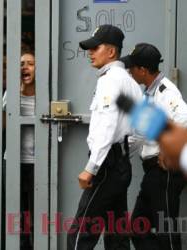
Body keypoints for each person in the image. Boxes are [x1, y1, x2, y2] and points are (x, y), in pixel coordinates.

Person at [67, 24, 143, 250]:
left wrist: (92, 167)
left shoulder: (110, 80)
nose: (90, 53)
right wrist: (124, 155)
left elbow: (107, 125)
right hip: (119, 164)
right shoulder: (128, 81)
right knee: (117, 233)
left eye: (95, 48)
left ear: (111, 52)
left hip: (106, 166)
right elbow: (140, 128)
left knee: (81, 233)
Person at [121, 43, 187, 250]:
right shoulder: (148, 94)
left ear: (142, 70)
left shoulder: (166, 91)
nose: (129, 71)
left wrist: (169, 153)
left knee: (166, 232)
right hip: (152, 174)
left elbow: (184, 119)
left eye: (132, 67)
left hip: (164, 173)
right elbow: (140, 134)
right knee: (137, 229)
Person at [3, 49, 36, 250]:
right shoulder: (11, 94)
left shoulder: (45, 94)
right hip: (13, 160)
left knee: (35, 208)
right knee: (16, 209)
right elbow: (3, 128)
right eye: (22, 63)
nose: (25, 67)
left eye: (30, 63)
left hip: (36, 162)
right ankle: (20, 245)